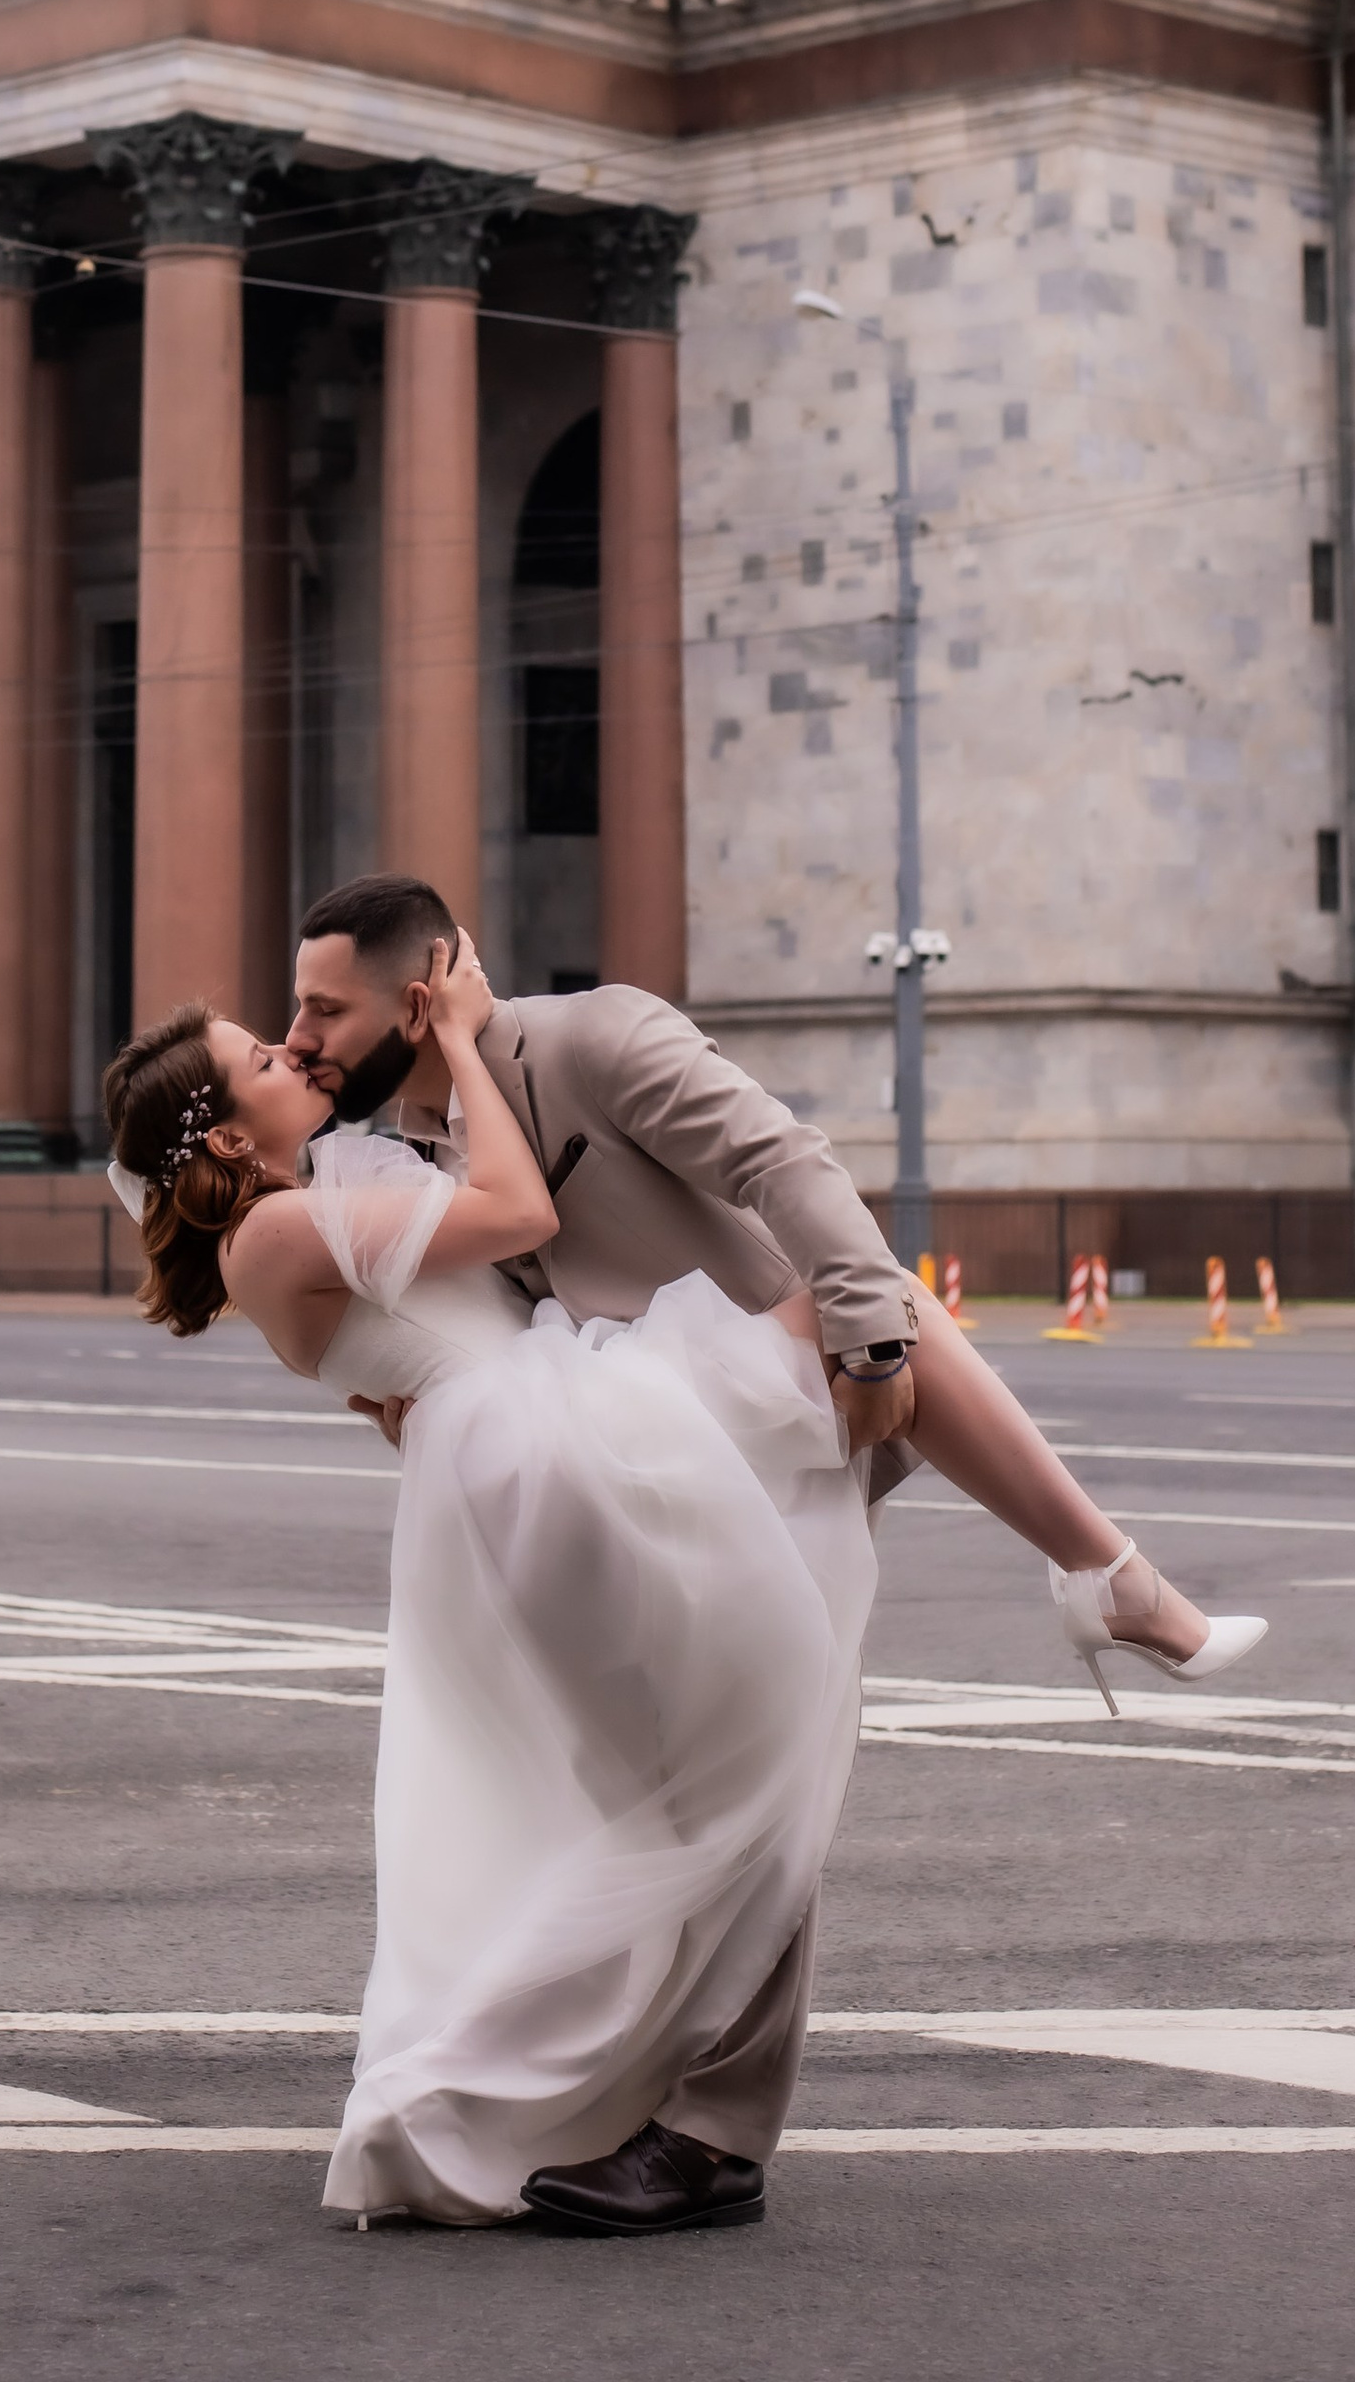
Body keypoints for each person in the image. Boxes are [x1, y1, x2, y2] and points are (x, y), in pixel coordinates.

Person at [272, 868, 1266, 2230]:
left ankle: (713, 2135)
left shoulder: (593, 1039)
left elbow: (777, 1160)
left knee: (753, 1771)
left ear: (429, 977)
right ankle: (657, 2101)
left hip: (764, 1418)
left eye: (325, 1006)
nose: (307, 1034)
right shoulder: (413, 1144)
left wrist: (866, 1331)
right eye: (297, 1013)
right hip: (620, 1482)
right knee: (696, 1794)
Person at [103, 939, 880, 2235]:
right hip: (561, 1456)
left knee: (677, 1781)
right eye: (260, 1057)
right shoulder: (286, 1223)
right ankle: (629, 2119)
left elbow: (410, 1346)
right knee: (734, 1752)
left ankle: (629, 2109)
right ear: (231, 1144)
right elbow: (521, 1218)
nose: (293, 1049)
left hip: (524, 1463)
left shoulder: (295, 1219)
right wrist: (464, 1037)